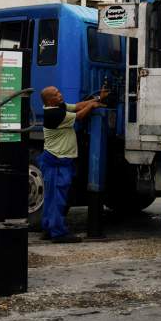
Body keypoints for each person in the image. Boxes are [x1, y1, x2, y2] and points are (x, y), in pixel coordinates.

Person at [38, 85, 106, 243]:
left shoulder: (58, 106)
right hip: (57, 161)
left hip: (55, 159)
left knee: (51, 197)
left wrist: (98, 99)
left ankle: (48, 228)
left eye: (59, 92)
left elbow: (77, 106)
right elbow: (80, 115)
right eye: (56, 94)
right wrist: (92, 105)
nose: (60, 95)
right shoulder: (54, 114)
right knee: (57, 198)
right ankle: (58, 233)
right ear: (49, 100)